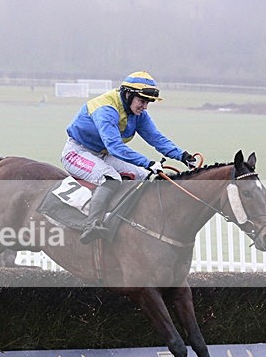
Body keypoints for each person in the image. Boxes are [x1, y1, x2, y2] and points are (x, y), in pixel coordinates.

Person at [62, 71, 197, 244]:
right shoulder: (106, 109)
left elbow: (155, 137)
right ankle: (91, 225)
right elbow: (115, 146)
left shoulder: (138, 114)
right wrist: (147, 162)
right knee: (111, 179)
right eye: (142, 101)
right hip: (77, 152)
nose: (145, 106)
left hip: (103, 155)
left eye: (148, 102)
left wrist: (183, 156)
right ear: (128, 95)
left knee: (144, 176)